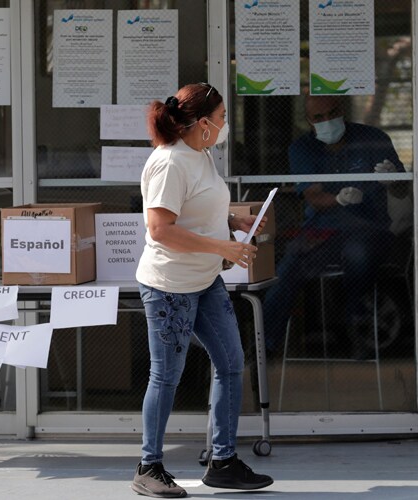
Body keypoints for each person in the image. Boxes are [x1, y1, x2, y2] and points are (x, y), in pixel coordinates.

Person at [131, 82, 274, 498]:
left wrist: (234, 222)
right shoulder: (170, 163)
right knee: (166, 376)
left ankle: (223, 461)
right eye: (224, 116)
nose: (227, 124)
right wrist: (221, 246)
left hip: (205, 280)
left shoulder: (201, 153)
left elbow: (198, 208)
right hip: (169, 286)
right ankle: (149, 465)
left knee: (231, 362)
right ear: (203, 123)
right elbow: (160, 230)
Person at [263, 94, 407, 358]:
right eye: (319, 118)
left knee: (358, 256)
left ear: (342, 111)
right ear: (308, 121)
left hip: (369, 227)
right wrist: (339, 199)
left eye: (332, 113)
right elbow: (314, 197)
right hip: (323, 230)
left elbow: (402, 190)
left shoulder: (373, 139)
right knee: (289, 267)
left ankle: (356, 330)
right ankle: (264, 346)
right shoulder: (303, 149)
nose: (327, 121)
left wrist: (392, 179)